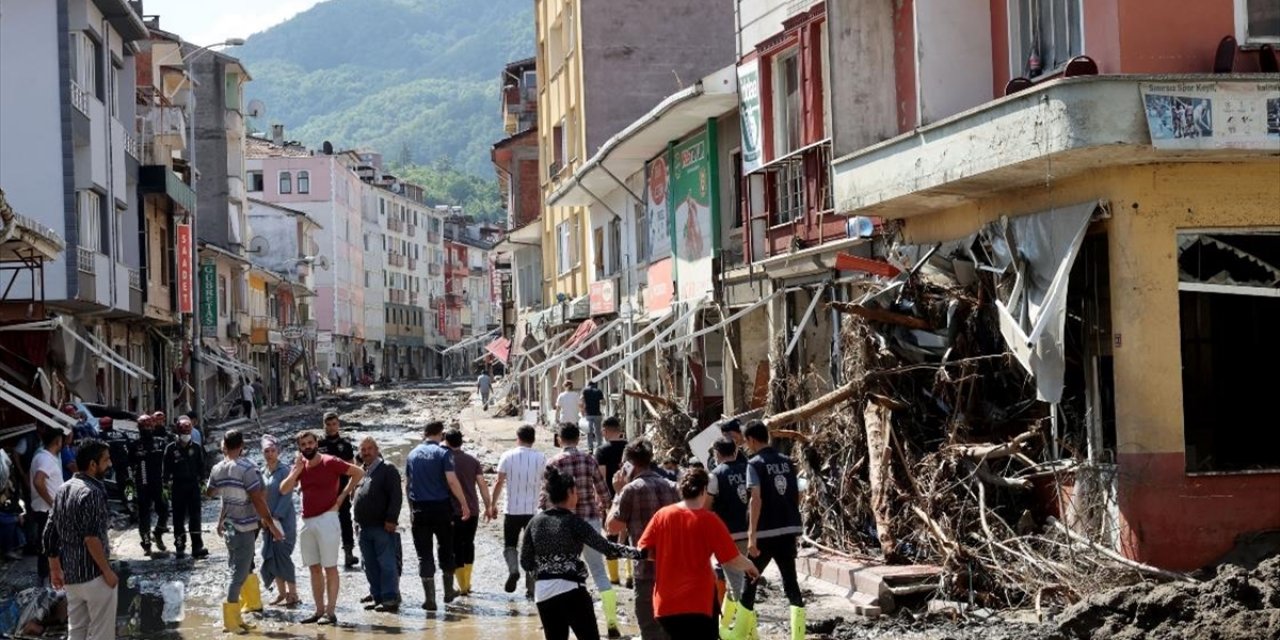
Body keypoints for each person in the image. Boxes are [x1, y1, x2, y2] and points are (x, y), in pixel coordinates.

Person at [521, 467, 645, 640]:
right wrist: (641, 553)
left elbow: (525, 561)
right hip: (572, 590)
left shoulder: (534, 522)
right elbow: (607, 548)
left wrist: (546, 573)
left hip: (543, 593)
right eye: (576, 491)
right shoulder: (574, 522)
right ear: (570, 492)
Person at [638, 467, 761, 638]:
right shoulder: (710, 520)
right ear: (704, 490)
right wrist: (750, 565)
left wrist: (669, 557)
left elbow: (643, 551)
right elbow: (731, 558)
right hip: (698, 604)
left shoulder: (662, 515)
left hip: (666, 605)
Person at [279, 430, 364, 625]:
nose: (307, 447)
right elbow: (283, 489)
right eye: (303, 444)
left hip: (328, 518)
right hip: (306, 521)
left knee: (330, 567)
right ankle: (319, 611)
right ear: (299, 448)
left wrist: (341, 498)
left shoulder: (330, 461)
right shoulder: (300, 465)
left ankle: (330, 612)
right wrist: (296, 471)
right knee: (314, 568)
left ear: (316, 443)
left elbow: (359, 472)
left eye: (310, 443)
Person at [540, 423, 618, 637]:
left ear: (559, 439)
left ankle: (563, 623)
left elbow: (545, 497)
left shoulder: (553, 463)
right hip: (590, 521)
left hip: (563, 524)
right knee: (599, 572)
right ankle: (612, 622)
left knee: (563, 573)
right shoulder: (589, 459)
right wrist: (606, 508)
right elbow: (603, 491)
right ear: (578, 438)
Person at [206, 430, 283, 633]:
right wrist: (272, 526)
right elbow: (258, 499)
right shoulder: (248, 468)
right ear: (242, 445)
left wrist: (223, 510)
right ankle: (230, 621)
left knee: (236, 568)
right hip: (245, 526)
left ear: (224, 445)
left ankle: (237, 617)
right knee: (239, 573)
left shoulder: (218, 468)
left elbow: (210, 492)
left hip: (229, 526)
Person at [606, 438, 679, 640]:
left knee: (650, 629)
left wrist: (618, 493)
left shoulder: (630, 490)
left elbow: (612, 527)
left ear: (629, 464)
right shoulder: (673, 486)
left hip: (646, 571)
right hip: (674, 571)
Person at [739, 420, 805, 640]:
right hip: (787, 529)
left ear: (751, 440)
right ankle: (798, 636)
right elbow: (797, 493)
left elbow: (755, 499)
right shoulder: (787, 461)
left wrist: (751, 536)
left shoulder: (754, 464)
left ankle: (743, 634)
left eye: (746, 441)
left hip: (764, 533)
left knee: (749, 580)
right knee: (791, 584)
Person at [45, 439, 116, 640]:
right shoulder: (92, 492)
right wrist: (107, 571)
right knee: (102, 634)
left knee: (76, 631)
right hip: (95, 576)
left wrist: (55, 569)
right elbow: (91, 538)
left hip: (72, 578)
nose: (110, 464)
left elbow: (49, 533)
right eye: (106, 460)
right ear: (93, 464)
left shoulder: (63, 489)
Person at [404, 420, 471, 611]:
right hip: (441, 509)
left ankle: (430, 599)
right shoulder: (443, 453)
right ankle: (448, 592)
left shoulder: (412, 454)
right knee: (446, 549)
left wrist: (410, 509)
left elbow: (407, 485)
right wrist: (464, 504)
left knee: (424, 555)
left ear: (425, 433)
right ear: (440, 434)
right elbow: (452, 481)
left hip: (419, 510)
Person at [489, 424, 545, 599]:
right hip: (533, 511)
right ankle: (531, 588)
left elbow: (499, 482)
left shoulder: (507, 455)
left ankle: (513, 570)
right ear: (533, 439)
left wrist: (492, 505)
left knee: (510, 544)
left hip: (512, 509)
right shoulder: (541, 457)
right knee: (532, 548)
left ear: (517, 438)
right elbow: (546, 482)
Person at [352, 436, 403, 612]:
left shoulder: (388, 469)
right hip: (364, 528)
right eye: (363, 449)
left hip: (382, 526)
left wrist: (391, 519)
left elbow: (396, 496)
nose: (366, 452)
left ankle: (390, 598)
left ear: (377, 450)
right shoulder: (363, 472)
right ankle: (377, 597)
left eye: (369, 449)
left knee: (387, 563)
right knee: (370, 565)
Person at [708, 437, 752, 636]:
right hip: (751, 534)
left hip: (728, 536)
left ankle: (742, 631)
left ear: (717, 454)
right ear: (735, 452)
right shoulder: (749, 469)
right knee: (744, 584)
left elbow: (706, 507)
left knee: (736, 586)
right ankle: (727, 628)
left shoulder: (716, 475)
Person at [442, 428, 492, 596]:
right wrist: (488, 506)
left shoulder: (445, 460)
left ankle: (462, 585)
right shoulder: (472, 460)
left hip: (453, 510)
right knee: (469, 543)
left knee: (456, 546)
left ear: (446, 442)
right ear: (461, 442)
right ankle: (468, 583)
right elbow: (482, 485)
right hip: (473, 509)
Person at [259, 436, 299, 608]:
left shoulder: (285, 470)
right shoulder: (262, 471)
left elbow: (287, 495)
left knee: (283, 555)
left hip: (283, 520)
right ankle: (281, 593)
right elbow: (259, 497)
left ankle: (293, 593)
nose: (270, 454)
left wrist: (275, 517)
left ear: (278, 451)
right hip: (267, 521)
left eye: (272, 450)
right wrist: (263, 517)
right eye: (266, 451)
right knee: (271, 556)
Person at [317, 412, 359, 568]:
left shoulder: (345, 445)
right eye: (328, 424)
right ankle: (325, 554)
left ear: (338, 425)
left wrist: (352, 489)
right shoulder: (318, 444)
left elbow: (352, 467)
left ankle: (348, 552)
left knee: (345, 519)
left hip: (342, 489)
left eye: (334, 424)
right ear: (324, 425)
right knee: (324, 522)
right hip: (323, 490)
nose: (331, 427)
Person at [164, 418, 208, 559]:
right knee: (178, 518)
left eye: (188, 431)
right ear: (178, 432)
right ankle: (179, 546)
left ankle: (197, 547)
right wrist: (165, 486)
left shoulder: (196, 447)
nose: (186, 434)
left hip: (193, 486)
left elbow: (201, 466)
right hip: (178, 486)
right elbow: (166, 469)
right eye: (183, 432)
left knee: (195, 517)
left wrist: (203, 482)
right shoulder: (171, 449)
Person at [28, 426, 66, 586]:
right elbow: (38, 481)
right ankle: (48, 582)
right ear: (58, 441)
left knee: (48, 546)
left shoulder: (42, 456)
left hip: (45, 509)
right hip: (47, 510)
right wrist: (52, 503)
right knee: (51, 547)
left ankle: (47, 580)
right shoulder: (46, 459)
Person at [594, 418, 628, 587]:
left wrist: (600, 500)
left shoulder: (602, 450)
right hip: (630, 495)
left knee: (610, 535)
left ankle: (614, 577)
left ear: (605, 430)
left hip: (611, 498)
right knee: (629, 535)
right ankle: (630, 575)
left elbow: (600, 476)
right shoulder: (630, 447)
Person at [132, 414, 170, 556]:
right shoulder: (134, 445)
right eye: (144, 427)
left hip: (158, 483)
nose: (147, 429)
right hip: (142, 484)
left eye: (149, 426)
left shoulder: (160, 443)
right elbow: (129, 465)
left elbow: (168, 462)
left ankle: (158, 533)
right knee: (144, 516)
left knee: (164, 510)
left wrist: (168, 479)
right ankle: (146, 544)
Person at [97, 418, 131, 509]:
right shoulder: (122, 433)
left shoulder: (102, 435)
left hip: (111, 462)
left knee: (102, 480)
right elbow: (129, 446)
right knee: (127, 481)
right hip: (125, 462)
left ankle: (104, 501)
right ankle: (129, 500)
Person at [580, 381, 605, 451]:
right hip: (597, 414)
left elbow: (581, 401)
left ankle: (590, 447)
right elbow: (604, 402)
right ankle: (599, 446)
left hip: (588, 414)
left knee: (589, 431)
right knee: (598, 431)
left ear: (588, 385)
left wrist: (582, 411)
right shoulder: (598, 391)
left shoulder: (585, 391)